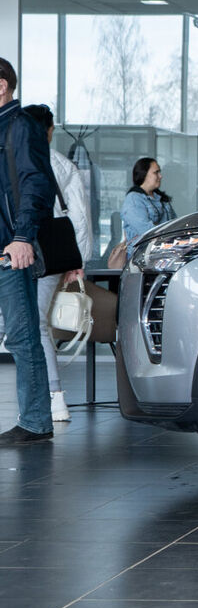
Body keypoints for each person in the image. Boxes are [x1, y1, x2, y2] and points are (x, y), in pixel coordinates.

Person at [0, 57, 59, 445]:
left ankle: (36, 421)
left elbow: (36, 184)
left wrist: (22, 237)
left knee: (22, 336)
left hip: (10, 250)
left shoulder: (20, 126)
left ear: (1, 85)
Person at [25, 106, 91, 421]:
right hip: (50, 253)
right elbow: (79, 217)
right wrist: (78, 261)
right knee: (38, 324)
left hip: (15, 249)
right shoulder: (63, 166)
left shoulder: (14, 158)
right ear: (50, 131)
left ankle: (47, 396)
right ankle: (55, 398)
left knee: (16, 323)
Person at [120, 156, 175, 242]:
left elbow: (175, 224)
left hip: (165, 247)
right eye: (156, 172)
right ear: (144, 174)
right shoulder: (134, 199)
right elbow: (147, 232)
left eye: (159, 172)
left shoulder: (160, 198)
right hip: (145, 249)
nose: (160, 176)